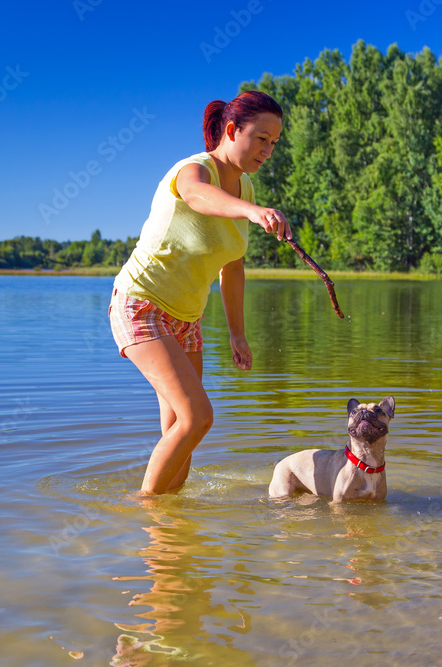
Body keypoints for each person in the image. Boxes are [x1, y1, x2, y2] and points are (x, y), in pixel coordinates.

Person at [108, 90, 291, 495]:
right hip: (141, 302)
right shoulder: (194, 169)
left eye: (274, 143)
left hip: (187, 319)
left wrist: (237, 333)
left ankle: (169, 536)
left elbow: (233, 265)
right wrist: (252, 213)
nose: (269, 151)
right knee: (197, 417)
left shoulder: (245, 189)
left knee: (180, 435)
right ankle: (145, 509)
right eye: (262, 139)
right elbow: (197, 197)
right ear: (231, 130)